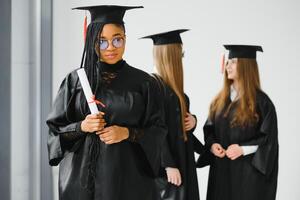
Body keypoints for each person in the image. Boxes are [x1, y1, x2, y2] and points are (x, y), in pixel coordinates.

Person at [46, 5, 167, 200]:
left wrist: (126, 133)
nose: (111, 48)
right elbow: (55, 133)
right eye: (102, 42)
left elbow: (158, 130)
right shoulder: (75, 82)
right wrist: (82, 126)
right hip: (81, 182)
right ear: (91, 41)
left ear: (125, 39)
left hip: (129, 181)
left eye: (117, 40)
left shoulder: (145, 83)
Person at [203, 45, 278, 200]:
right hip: (222, 173)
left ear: (246, 66)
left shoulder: (262, 103)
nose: (227, 66)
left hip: (248, 175)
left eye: (233, 62)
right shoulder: (219, 101)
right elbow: (209, 130)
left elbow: (269, 140)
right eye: (227, 61)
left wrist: (243, 150)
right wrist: (212, 145)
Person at [141, 29, 205, 200]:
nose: (181, 58)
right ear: (171, 55)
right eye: (180, 53)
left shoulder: (177, 93)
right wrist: (168, 164)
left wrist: (194, 122)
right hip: (168, 169)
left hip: (183, 162)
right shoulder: (153, 87)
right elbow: (152, 130)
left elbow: (180, 129)